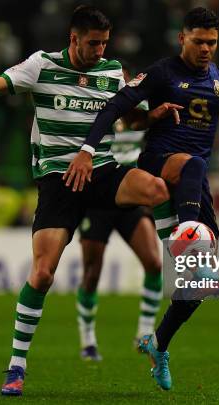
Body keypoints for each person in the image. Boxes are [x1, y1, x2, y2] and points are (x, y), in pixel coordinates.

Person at [0, 5, 175, 397]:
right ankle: (16, 364)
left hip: (102, 171)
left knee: (157, 189)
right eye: (93, 43)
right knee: (43, 273)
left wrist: (154, 114)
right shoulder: (41, 66)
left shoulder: (112, 71)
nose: (99, 50)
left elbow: (131, 119)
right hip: (59, 182)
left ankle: (183, 258)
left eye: (104, 43)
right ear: (73, 38)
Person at [64, 7, 219, 390]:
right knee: (195, 164)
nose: (205, 49)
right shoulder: (163, 72)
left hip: (192, 184)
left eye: (212, 43)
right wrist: (86, 147)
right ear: (182, 38)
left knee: (197, 287)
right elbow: (116, 106)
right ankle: (186, 240)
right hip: (158, 163)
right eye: (198, 41)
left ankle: (158, 343)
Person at [77, 66, 162, 361]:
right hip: (98, 197)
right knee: (91, 273)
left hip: (128, 196)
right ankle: (87, 339)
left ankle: (144, 333)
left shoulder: (141, 110)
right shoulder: (98, 108)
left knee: (153, 262)